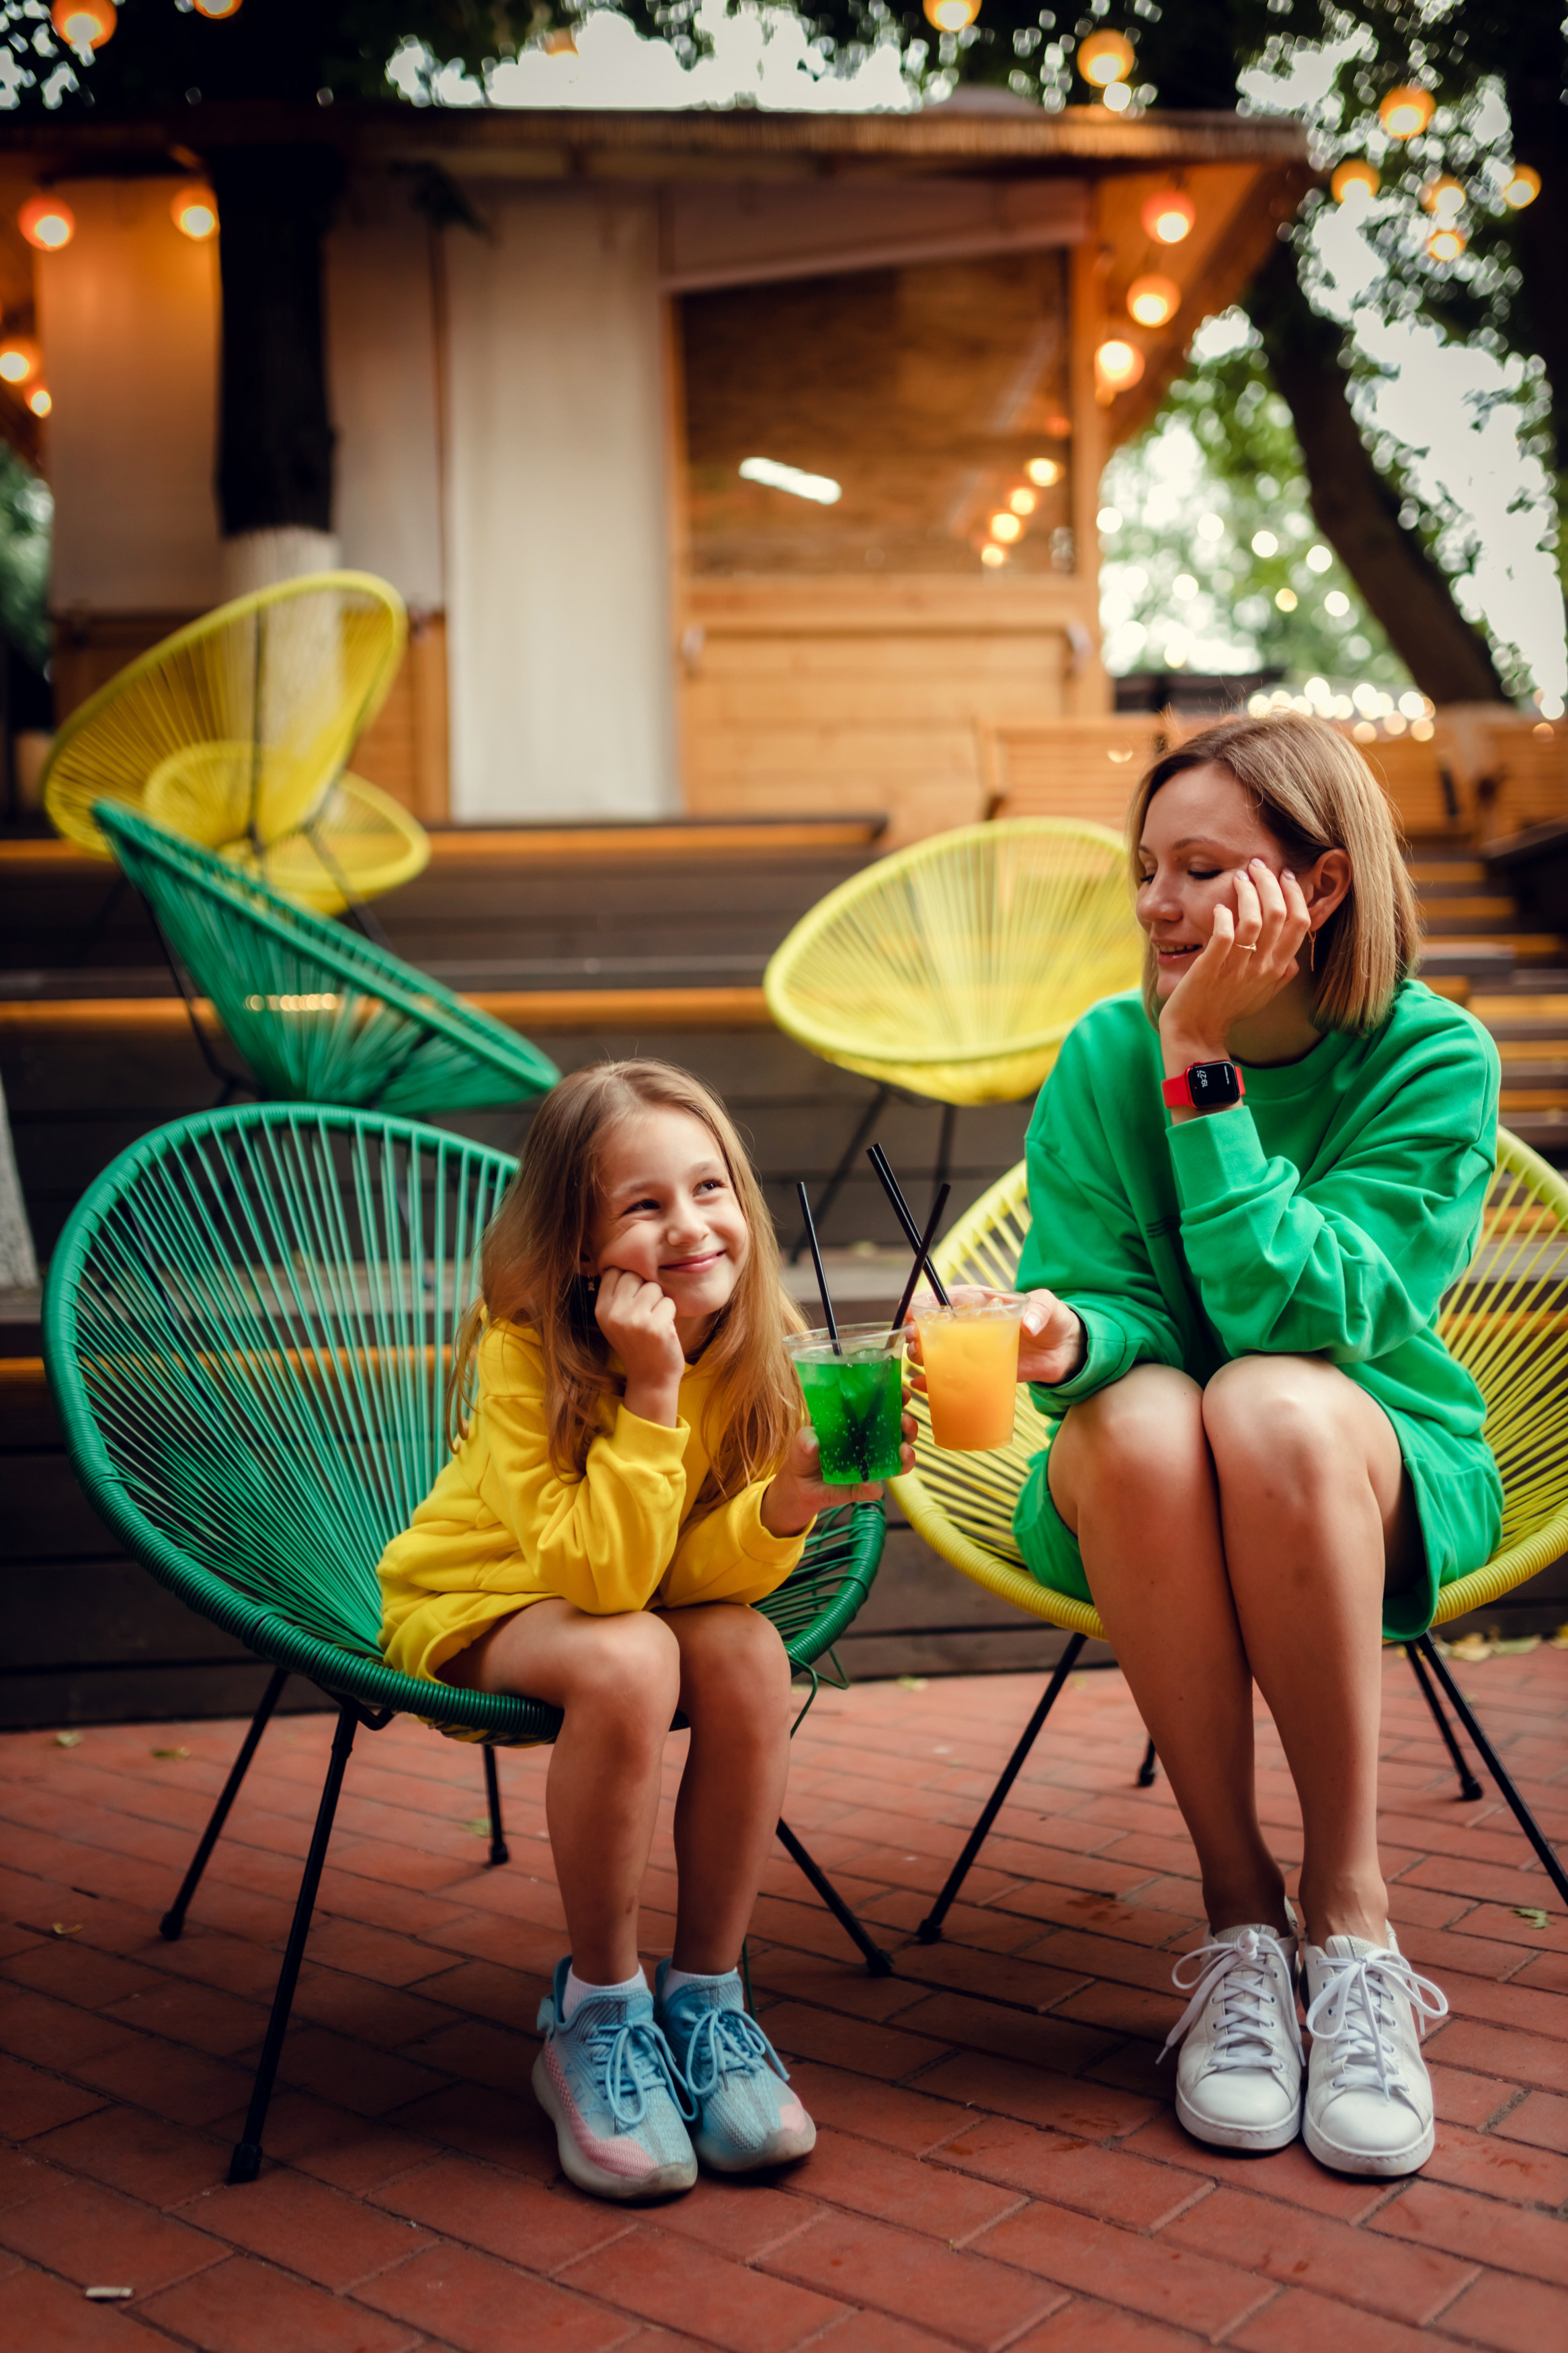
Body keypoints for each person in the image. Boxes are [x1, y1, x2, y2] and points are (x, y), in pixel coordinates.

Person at [1007, 712, 1497, 2178]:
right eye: (1147, 867)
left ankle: (1352, 1921)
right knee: (1157, 1413)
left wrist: (1204, 1064)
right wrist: (1066, 1338)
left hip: (1362, 1453)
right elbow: (1110, 1294)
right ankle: (1239, 1912)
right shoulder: (1103, 1054)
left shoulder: (1429, 1058)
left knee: (1262, 1398)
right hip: (1144, 1477)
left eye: (1204, 868)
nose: (1158, 905)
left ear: (1320, 887)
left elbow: (1314, 1310)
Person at [378, 1060, 910, 2202]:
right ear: (579, 1247)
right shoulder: (528, 1349)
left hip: (636, 1603)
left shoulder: (763, 1340)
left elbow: (691, 1575)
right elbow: (606, 1580)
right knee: (631, 1659)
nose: (689, 1227)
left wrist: (785, 1506)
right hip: (479, 1597)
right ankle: (600, 2014)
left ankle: (707, 2001)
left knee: (747, 1650)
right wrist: (652, 1390)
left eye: (709, 1188)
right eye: (642, 1205)